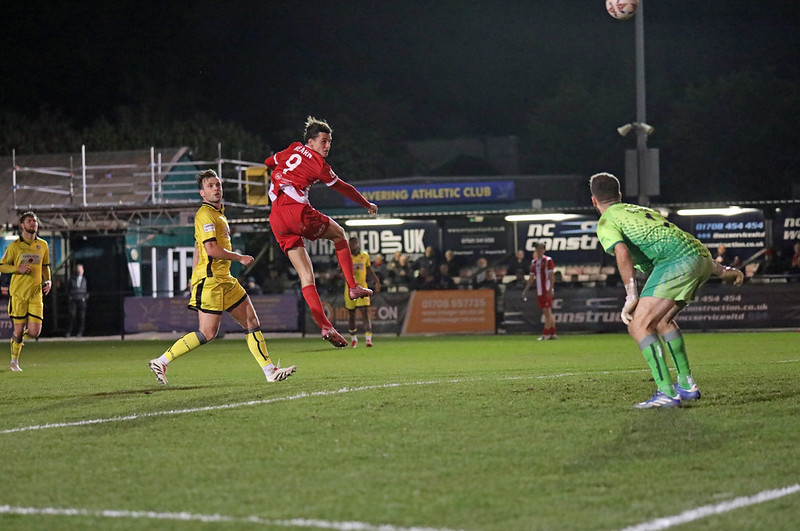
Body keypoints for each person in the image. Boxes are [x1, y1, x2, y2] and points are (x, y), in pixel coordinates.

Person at [589, 172, 743, 409]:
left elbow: (622, 252)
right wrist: (722, 271)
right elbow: (675, 238)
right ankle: (686, 384)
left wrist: (631, 295)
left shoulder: (607, 220)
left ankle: (666, 392)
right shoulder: (637, 210)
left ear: (594, 201)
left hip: (676, 262)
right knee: (662, 321)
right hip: (701, 256)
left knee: (638, 325)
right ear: (619, 195)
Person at [148, 169, 296, 385]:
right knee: (207, 333)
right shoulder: (205, 214)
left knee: (251, 321)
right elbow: (210, 249)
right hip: (210, 282)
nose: (216, 188)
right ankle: (161, 361)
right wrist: (240, 257)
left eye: (218, 184)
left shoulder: (218, 214)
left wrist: (191, 277)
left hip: (224, 279)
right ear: (202, 193)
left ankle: (269, 371)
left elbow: (197, 245)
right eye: (210, 186)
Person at [265, 116, 377, 348]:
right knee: (340, 235)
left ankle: (325, 325)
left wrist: (278, 168)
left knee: (307, 277)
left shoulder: (293, 148)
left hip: (277, 218)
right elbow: (344, 187)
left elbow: (269, 161)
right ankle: (352, 286)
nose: (327, 146)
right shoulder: (319, 164)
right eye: (324, 141)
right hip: (296, 212)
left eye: (330, 142)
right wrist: (366, 204)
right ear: (311, 142)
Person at [0, 211, 52, 372]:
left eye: (35, 221)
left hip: (36, 293)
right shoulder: (15, 246)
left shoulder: (43, 245)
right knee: (18, 329)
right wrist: (18, 268)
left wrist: (48, 280)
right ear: (22, 225)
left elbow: (45, 266)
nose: (33, 223)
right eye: (30, 221)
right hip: (19, 294)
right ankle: (14, 361)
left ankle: (17, 339)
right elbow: (2, 266)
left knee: (35, 332)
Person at [345, 236, 381, 348]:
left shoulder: (364, 256)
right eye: (351, 243)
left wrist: (376, 281)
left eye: (355, 243)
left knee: (365, 313)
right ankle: (354, 339)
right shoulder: (346, 256)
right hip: (350, 288)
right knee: (351, 315)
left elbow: (369, 269)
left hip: (363, 287)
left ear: (358, 244)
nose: (353, 245)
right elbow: (340, 271)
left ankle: (368, 339)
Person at [521, 242, 557, 340]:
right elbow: (532, 277)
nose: (540, 251)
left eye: (542, 249)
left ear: (544, 250)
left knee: (547, 312)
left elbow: (551, 276)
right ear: (536, 250)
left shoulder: (548, 260)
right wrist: (526, 289)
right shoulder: (534, 262)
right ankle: (553, 333)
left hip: (546, 289)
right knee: (548, 312)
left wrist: (551, 288)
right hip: (539, 290)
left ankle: (546, 334)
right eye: (538, 249)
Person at [67, 263, 88, 337]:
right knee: (72, 315)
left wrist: (85, 298)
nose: (79, 271)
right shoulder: (72, 279)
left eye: (80, 270)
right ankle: (69, 331)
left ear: (83, 270)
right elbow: (68, 288)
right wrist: (70, 297)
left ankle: (80, 332)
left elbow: (88, 290)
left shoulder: (85, 280)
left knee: (81, 317)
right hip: (73, 299)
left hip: (81, 300)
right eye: (78, 270)